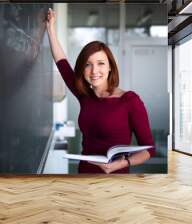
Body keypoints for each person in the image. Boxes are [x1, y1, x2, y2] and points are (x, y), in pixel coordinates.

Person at [46, 8, 155, 174]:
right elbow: (61, 62)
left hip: (116, 178)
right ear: (82, 69)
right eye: (88, 64)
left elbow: (149, 150)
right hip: (85, 176)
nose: (94, 70)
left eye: (101, 63)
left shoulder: (130, 101)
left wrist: (123, 163)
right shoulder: (85, 96)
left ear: (110, 67)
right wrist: (50, 29)